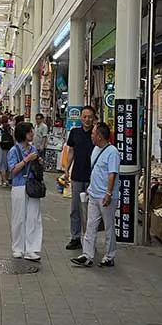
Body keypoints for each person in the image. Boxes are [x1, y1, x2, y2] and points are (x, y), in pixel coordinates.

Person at [71, 122, 119, 268]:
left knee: (109, 226)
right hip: (93, 194)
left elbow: (112, 174)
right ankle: (87, 255)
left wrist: (109, 193)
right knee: (90, 225)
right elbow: (95, 171)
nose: (91, 136)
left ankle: (109, 256)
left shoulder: (113, 152)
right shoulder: (96, 150)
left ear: (99, 136)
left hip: (106, 197)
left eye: (93, 133)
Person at [61, 106, 97, 250]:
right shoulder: (75, 132)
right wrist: (66, 169)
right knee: (75, 209)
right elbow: (71, 151)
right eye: (85, 117)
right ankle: (75, 237)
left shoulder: (96, 133)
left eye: (90, 117)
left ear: (94, 118)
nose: (87, 119)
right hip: (77, 176)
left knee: (90, 210)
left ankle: (89, 239)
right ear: (81, 117)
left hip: (92, 177)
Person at [7, 121, 43, 261]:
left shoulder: (33, 149)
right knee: (18, 218)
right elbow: (13, 170)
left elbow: (39, 167)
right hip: (19, 185)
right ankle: (17, 248)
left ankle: (31, 249)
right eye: (30, 132)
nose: (32, 134)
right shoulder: (14, 151)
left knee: (34, 217)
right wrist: (27, 160)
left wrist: (38, 162)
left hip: (33, 185)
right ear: (23, 134)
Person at [0, 115, 16, 186]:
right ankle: (6, 179)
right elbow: (14, 139)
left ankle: (3, 180)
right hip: (10, 147)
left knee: (2, 164)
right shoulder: (11, 129)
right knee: (8, 164)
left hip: (1, 148)